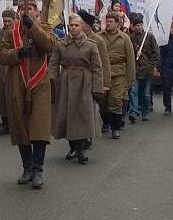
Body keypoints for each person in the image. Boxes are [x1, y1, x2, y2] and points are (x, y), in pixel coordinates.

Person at [0, 0, 57, 189]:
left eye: (29, 8)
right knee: (21, 127)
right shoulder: (10, 32)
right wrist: (18, 53)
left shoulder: (45, 28)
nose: (26, 11)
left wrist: (33, 28)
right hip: (17, 82)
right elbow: (1, 56)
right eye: (22, 8)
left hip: (39, 83)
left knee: (39, 127)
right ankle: (27, 167)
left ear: (36, 11)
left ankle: (38, 169)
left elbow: (49, 46)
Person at [50, 13, 103, 165]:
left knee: (82, 115)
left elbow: (97, 68)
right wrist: (52, 82)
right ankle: (72, 147)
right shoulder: (60, 44)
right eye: (71, 25)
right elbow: (53, 64)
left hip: (84, 82)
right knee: (67, 115)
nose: (73, 28)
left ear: (82, 27)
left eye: (77, 25)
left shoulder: (91, 45)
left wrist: (97, 88)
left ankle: (81, 149)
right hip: (65, 81)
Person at [99, 11, 135, 139]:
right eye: (107, 21)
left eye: (111, 22)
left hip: (119, 73)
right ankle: (105, 122)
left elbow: (130, 58)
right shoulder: (100, 37)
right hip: (102, 73)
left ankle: (115, 128)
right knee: (102, 101)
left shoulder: (124, 38)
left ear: (117, 24)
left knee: (116, 101)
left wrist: (130, 78)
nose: (108, 24)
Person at [77, 10, 111, 135]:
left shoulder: (98, 40)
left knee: (100, 106)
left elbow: (104, 62)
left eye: (79, 22)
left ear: (86, 24)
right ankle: (84, 137)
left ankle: (105, 121)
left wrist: (105, 83)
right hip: (79, 80)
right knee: (82, 109)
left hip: (94, 78)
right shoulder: (73, 39)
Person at [128, 15, 159, 122]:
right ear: (133, 26)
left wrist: (152, 65)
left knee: (146, 94)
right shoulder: (130, 38)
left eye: (140, 25)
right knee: (133, 92)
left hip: (147, 69)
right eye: (137, 25)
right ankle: (133, 111)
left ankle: (145, 112)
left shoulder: (149, 36)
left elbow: (156, 53)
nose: (139, 27)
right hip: (135, 69)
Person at [0, 10, 17, 135]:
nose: (6, 23)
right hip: (1, 68)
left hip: (16, 67)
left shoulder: (19, 33)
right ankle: (5, 122)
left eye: (9, 21)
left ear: (15, 20)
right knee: (1, 96)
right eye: (5, 21)